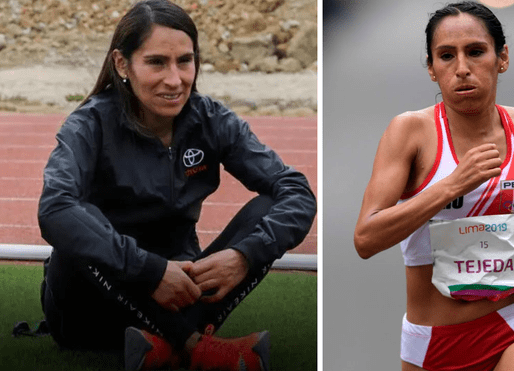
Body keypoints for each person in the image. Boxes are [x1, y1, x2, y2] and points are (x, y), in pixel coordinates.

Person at [37, 1, 316, 370]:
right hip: (90, 310)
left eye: (184, 61)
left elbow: (296, 191)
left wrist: (245, 254)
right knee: (78, 219)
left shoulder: (211, 119)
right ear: (122, 64)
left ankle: (162, 348)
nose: (174, 80)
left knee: (268, 208)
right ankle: (197, 346)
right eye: (156, 62)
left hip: (185, 294)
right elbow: (54, 209)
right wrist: (148, 271)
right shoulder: (89, 124)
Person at [353, 2, 514, 371]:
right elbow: (366, 239)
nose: (462, 68)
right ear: (432, 69)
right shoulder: (409, 133)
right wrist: (449, 187)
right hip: (433, 342)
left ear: (502, 58)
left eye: (476, 52)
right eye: (446, 56)